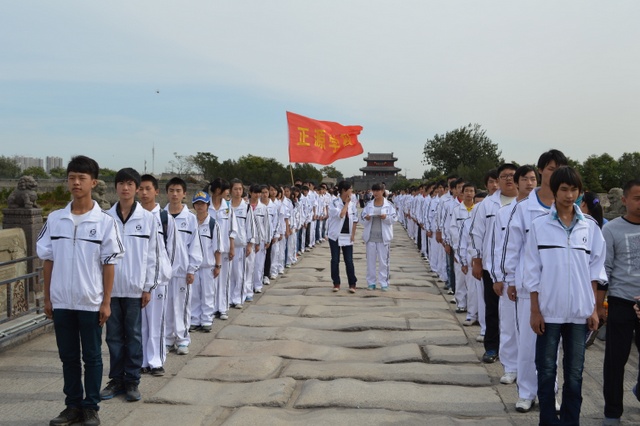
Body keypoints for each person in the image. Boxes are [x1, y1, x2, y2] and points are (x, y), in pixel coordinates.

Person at [37, 155, 124, 426]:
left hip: (90, 301)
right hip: (62, 301)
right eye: (71, 178)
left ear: (93, 182)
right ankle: (72, 406)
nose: (76, 183)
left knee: (93, 357)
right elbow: (48, 260)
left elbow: (109, 264)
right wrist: (48, 297)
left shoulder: (105, 222)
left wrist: (106, 301)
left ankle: (90, 407)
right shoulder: (55, 219)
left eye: (81, 178)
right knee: (68, 358)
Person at [523, 166, 606, 426]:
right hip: (549, 312)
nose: (569, 196)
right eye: (564, 190)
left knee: (575, 374)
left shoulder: (590, 227)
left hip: (580, 313)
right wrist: (535, 310)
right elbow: (532, 270)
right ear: (555, 191)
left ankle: (571, 421)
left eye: (574, 190)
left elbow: (596, 270)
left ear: (580, 192)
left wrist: (594, 308)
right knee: (546, 371)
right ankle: (548, 421)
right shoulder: (539, 226)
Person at [494, 150, 568, 413]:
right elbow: (511, 247)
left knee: (553, 346)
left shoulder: (567, 209)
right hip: (528, 287)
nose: (555, 174)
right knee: (527, 343)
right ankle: (526, 392)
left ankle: (550, 392)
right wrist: (509, 279)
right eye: (550, 169)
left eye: (560, 169)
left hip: (557, 287)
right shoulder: (524, 208)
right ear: (540, 171)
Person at [101, 168, 160, 403]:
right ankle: (116, 379)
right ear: (115, 187)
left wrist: (148, 287)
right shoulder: (106, 218)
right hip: (111, 289)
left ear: (136, 188)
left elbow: (153, 255)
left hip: (135, 288)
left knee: (134, 336)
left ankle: (133, 380)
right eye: (121, 184)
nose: (125, 188)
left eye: (130, 184)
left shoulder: (148, 219)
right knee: (113, 337)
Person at [491, 165, 538, 389]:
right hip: (510, 277)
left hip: (533, 280)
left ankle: (532, 373)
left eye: (533, 179)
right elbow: (497, 246)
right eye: (525, 179)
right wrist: (498, 276)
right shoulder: (504, 212)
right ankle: (510, 367)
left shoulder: (543, 210)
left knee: (531, 332)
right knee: (509, 325)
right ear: (518, 183)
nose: (530, 183)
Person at [469, 164, 518, 364]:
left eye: (512, 175)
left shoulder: (525, 203)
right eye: (504, 176)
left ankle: (515, 352)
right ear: (498, 180)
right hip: (492, 266)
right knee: (492, 308)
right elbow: (476, 233)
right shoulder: (486, 205)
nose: (508, 179)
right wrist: (477, 260)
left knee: (516, 312)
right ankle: (492, 347)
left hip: (517, 267)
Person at [602, 179, 640, 425]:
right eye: (637, 198)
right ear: (624, 200)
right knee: (615, 362)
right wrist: (599, 306)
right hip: (621, 302)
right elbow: (604, 269)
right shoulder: (612, 229)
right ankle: (612, 412)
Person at [137, 174, 176, 377]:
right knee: (140, 323)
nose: (144, 193)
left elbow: (173, 250)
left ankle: (156, 360)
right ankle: (142, 360)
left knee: (156, 321)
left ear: (156, 191)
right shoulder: (133, 217)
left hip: (158, 278)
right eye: (141, 189)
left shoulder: (164, 218)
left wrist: (166, 272)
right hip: (137, 279)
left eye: (148, 189)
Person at [164, 177, 203, 355]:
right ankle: (166, 339)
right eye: (171, 190)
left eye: (178, 191)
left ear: (184, 194)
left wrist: (191, 269)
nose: (175, 194)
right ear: (166, 193)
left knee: (182, 305)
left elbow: (195, 245)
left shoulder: (190, 219)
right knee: (165, 306)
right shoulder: (160, 216)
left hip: (182, 271)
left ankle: (182, 339)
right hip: (163, 272)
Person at [190, 191, 221, 332]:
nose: (200, 206)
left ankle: (207, 320)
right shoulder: (191, 222)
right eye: (197, 204)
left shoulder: (213, 224)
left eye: (202, 204)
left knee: (208, 294)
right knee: (194, 295)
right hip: (194, 267)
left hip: (208, 266)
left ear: (207, 205)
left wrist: (218, 265)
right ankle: (195, 319)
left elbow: (217, 248)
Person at [208, 178, 237, 320]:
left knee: (224, 279)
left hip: (224, 249)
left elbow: (232, 229)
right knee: (211, 280)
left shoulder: (228, 208)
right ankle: (212, 308)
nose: (228, 192)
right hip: (209, 250)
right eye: (226, 190)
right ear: (218, 190)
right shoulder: (206, 206)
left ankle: (223, 308)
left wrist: (232, 247)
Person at [361, 183, 398, 291]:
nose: (376, 193)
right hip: (371, 236)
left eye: (378, 191)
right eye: (374, 191)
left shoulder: (389, 205)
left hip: (383, 237)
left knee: (383, 262)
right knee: (370, 262)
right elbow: (361, 218)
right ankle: (371, 282)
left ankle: (384, 283)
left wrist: (386, 218)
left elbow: (394, 218)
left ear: (383, 191)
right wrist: (366, 218)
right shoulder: (369, 204)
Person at [328, 180, 359, 293]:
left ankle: (352, 283)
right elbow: (341, 215)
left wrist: (353, 235)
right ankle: (336, 282)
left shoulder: (353, 204)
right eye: (350, 189)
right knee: (335, 260)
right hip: (335, 235)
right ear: (344, 190)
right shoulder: (334, 202)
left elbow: (355, 220)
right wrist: (346, 203)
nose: (351, 191)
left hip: (347, 235)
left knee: (349, 260)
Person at [229, 179, 255, 307]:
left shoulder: (246, 207)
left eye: (240, 189)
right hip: (228, 246)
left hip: (241, 245)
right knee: (229, 274)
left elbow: (250, 226)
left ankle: (238, 298)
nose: (238, 191)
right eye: (235, 189)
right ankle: (228, 298)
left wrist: (250, 244)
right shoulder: (226, 207)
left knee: (240, 273)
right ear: (230, 190)